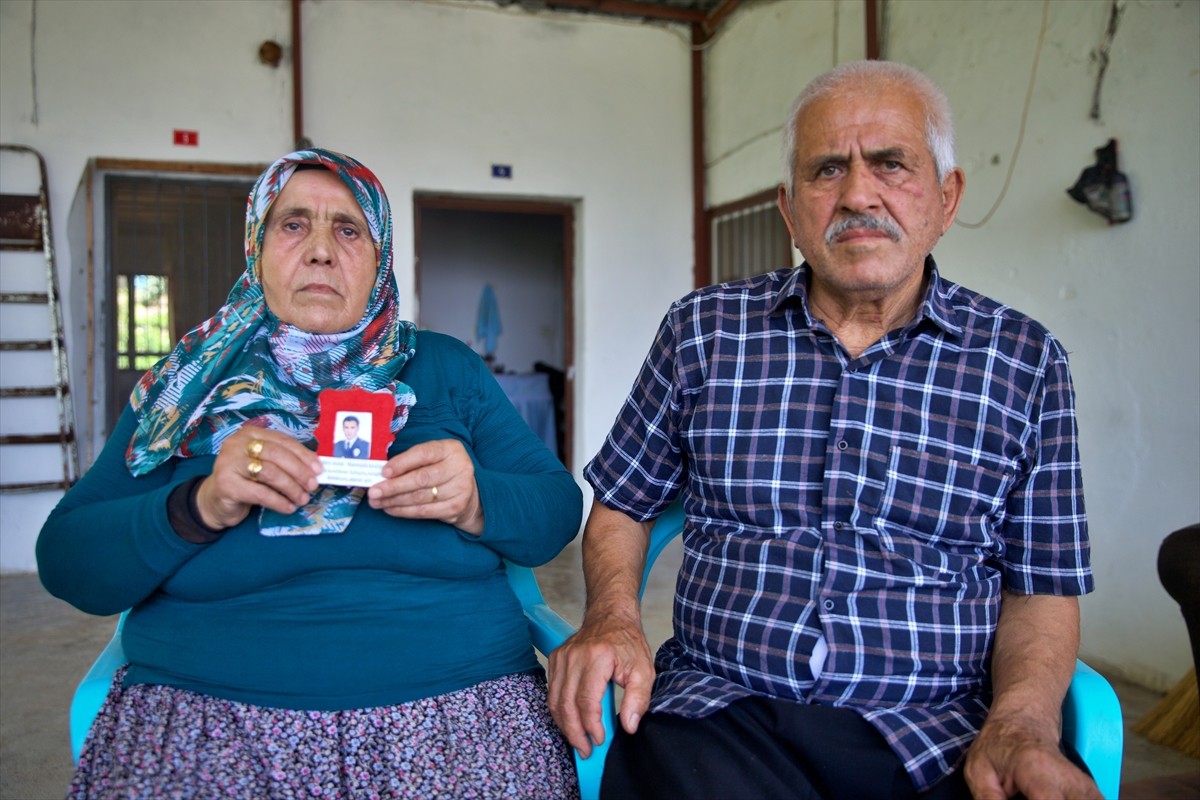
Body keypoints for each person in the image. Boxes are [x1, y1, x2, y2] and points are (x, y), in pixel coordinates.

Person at [548, 60, 1099, 800]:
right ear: (790, 208)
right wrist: (613, 619)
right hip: (719, 713)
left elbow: (1044, 585)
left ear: (947, 197)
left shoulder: (1025, 362)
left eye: (892, 164)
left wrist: (1024, 719)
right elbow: (625, 500)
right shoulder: (704, 332)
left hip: (934, 731)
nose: (858, 194)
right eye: (827, 170)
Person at [38, 148, 583, 799]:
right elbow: (68, 559)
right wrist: (200, 504)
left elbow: (556, 511)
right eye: (294, 224)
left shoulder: (446, 367)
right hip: (211, 715)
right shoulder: (189, 383)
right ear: (257, 249)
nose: (322, 251)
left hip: (458, 706)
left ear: (378, 258)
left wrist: (475, 498)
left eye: (348, 230)